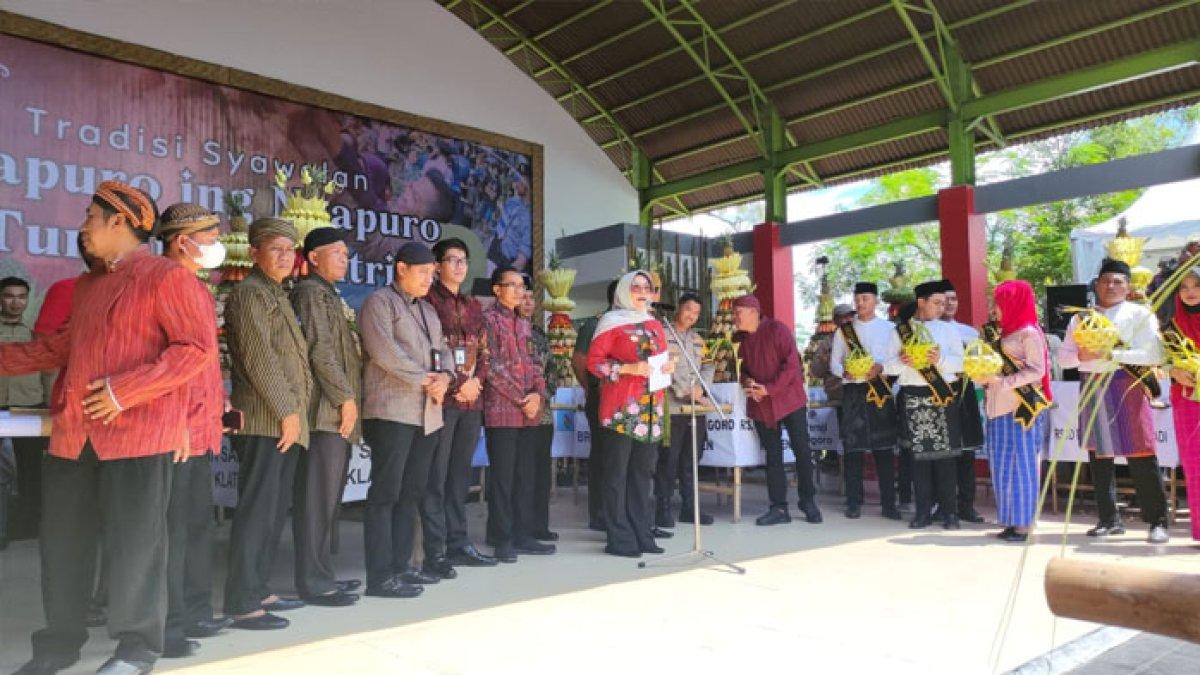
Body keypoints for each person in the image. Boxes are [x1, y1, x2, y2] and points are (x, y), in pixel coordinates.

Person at [1, 180, 216, 675]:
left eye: (89, 218)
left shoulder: (169, 278)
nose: (83, 228)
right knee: (62, 546)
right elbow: (57, 349)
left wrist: (126, 391)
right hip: (75, 435)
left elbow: (194, 351)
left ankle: (137, 649)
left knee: (137, 546)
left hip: (139, 437)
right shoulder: (88, 286)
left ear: (119, 221)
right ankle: (58, 646)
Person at [222, 217, 314, 630]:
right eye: (274, 248)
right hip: (265, 421)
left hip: (284, 422)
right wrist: (288, 413)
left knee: (274, 510)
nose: (283, 256)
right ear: (255, 253)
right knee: (257, 511)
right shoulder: (249, 294)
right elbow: (261, 359)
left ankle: (258, 589)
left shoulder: (276, 293)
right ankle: (242, 601)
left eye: (288, 249)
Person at [156, 204, 234, 657]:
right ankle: (167, 624)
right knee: (172, 530)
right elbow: (169, 361)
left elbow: (201, 359)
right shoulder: (166, 281)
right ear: (182, 241)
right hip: (177, 430)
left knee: (197, 524)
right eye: (208, 234)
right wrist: (180, 421)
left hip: (203, 427)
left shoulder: (196, 286)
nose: (214, 242)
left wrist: (218, 398)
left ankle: (196, 612)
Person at [359, 242, 453, 597]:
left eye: (432, 273)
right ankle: (380, 576)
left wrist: (445, 376)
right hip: (392, 411)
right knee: (386, 492)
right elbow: (384, 352)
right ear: (401, 269)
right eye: (423, 272)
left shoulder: (428, 311)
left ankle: (402, 567)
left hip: (427, 413)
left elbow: (443, 350)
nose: (430, 279)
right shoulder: (379, 303)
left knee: (411, 492)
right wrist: (426, 379)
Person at [1060, 259, 1169, 544]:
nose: (1111, 286)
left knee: (1142, 454)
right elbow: (1064, 357)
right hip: (1092, 385)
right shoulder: (1080, 318)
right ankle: (1109, 519)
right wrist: (1080, 357)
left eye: (1118, 281)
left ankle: (1157, 521)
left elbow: (1154, 355)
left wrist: (1114, 355)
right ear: (1096, 284)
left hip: (1127, 385)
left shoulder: (1139, 314)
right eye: (1105, 280)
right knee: (1099, 457)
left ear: (1128, 286)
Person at [290, 228, 363, 607]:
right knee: (316, 500)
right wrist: (345, 399)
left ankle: (323, 574)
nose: (344, 260)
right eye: (336, 253)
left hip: (336, 411)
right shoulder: (310, 293)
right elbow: (320, 351)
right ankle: (313, 582)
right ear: (313, 258)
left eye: (346, 254)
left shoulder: (329, 294)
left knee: (328, 499)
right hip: (324, 412)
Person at [421, 238, 497, 574]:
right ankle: (434, 551)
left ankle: (458, 541)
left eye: (463, 260)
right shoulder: (427, 300)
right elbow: (428, 350)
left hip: (470, 402)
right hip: (441, 400)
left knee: (459, 476)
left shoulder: (473, 305)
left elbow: (485, 351)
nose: (459, 266)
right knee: (435, 477)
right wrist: (456, 383)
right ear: (436, 265)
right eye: (452, 260)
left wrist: (476, 382)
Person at [587, 271, 674, 557]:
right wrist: (627, 368)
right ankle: (619, 537)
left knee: (642, 474)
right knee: (617, 474)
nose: (641, 291)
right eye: (635, 286)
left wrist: (667, 368)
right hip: (620, 410)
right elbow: (594, 363)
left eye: (646, 287)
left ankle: (642, 533)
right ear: (624, 290)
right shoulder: (610, 322)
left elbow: (657, 361)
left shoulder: (655, 325)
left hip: (651, 410)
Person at [482, 268, 555, 561]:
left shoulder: (524, 324)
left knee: (526, 475)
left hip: (530, 411)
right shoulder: (488, 320)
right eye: (510, 285)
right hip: (502, 410)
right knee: (503, 476)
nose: (517, 291)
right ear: (496, 289)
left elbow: (535, 363)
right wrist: (520, 397)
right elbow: (490, 366)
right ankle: (502, 538)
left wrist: (537, 394)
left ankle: (524, 534)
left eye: (521, 286)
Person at [731, 294, 823, 526]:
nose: (734, 318)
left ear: (752, 311)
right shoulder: (741, 340)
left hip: (789, 399)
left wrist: (769, 389)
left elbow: (792, 366)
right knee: (773, 456)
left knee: (802, 451)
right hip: (762, 403)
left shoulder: (778, 330)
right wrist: (748, 383)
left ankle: (808, 501)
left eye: (737, 312)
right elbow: (742, 371)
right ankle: (779, 508)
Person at [976, 280, 1052, 543]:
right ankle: (1009, 520)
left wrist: (1003, 382)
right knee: (1001, 465)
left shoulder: (1029, 333)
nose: (994, 308)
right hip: (998, 408)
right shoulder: (1001, 333)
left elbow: (1037, 371)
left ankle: (1023, 524)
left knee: (1022, 466)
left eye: (998, 302)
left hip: (1023, 408)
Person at [829, 283, 903, 520]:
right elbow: (834, 363)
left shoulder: (890, 329)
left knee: (884, 450)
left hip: (880, 391)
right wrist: (844, 373)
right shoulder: (844, 331)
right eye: (857, 299)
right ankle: (853, 501)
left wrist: (882, 367)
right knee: (853, 450)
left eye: (865, 298)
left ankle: (889, 504)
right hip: (853, 393)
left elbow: (898, 361)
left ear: (876, 301)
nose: (860, 303)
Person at [896, 281, 965, 530]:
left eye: (943, 303)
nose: (941, 307)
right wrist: (902, 361)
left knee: (946, 457)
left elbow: (961, 363)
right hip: (913, 395)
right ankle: (922, 512)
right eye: (936, 303)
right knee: (919, 459)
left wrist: (941, 359)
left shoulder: (948, 330)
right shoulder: (902, 330)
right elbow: (888, 367)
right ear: (921, 302)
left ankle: (950, 513)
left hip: (941, 395)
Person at [657, 292, 715, 528]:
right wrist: (683, 390)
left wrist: (702, 388)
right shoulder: (662, 334)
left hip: (694, 408)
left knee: (691, 459)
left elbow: (709, 366)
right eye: (689, 309)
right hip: (672, 407)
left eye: (697, 313)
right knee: (668, 460)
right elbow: (660, 367)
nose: (692, 315)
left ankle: (690, 508)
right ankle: (662, 508)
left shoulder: (700, 341)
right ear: (679, 308)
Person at [0, 277, 45, 548]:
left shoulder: (37, 334)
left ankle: (27, 526)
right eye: (8, 296)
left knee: (30, 472)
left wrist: (52, 406)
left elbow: (50, 373)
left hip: (29, 410)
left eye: (21, 297)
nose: (15, 302)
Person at [573, 279, 619, 532]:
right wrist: (592, 390)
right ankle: (599, 514)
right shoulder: (595, 324)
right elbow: (579, 361)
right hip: (602, 397)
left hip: (632, 402)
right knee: (603, 456)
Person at [941, 283, 986, 523]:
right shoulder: (928, 331)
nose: (950, 304)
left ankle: (966, 505)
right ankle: (943, 505)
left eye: (954, 299)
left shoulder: (970, 333)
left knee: (967, 452)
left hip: (966, 393)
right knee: (943, 453)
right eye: (945, 299)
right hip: (939, 393)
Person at [520, 286, 561, 542]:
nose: (527, 301)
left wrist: (543, 397)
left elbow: (552, 373)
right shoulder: (505, 329)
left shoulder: (539, 334)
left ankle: (539, 525)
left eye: (530, 297)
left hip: (542, 414)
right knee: (521, 473)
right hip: (518, 413)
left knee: (541, 472)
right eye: (522, 296)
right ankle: (520, 528)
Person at [1167, 266, 1200, 543]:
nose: (1190, 293)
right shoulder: (1171, 325)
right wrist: (1173, 371)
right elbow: (1161, 360)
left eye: (1196, 286)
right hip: (1187, 400)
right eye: (1184, 287)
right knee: (1195, 463)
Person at [809, 303, 855, 407]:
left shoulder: (861, 337)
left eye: (851, 316)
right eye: (844, 317)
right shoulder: (827, 343)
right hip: (838, 395)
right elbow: (815, 372)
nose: (849, 320)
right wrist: (825, 360)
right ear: (836, 321)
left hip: (861, 394)